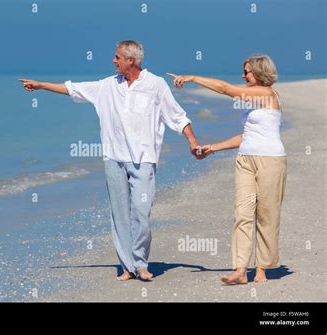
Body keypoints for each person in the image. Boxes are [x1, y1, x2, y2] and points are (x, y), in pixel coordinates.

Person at [20, 40, 200, 281]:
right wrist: (41, 85)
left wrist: (192, 141)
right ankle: (128, 267)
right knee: (119, 215)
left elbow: (177, 116)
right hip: (114, 158)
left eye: (117, 57)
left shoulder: (156, 85)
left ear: (131, 61)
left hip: (143, 159)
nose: (113, 61)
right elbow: (73, 88)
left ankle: (141, 263)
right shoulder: (107, 86)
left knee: (141, 212)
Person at [168, 54, 287, 284]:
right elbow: (246, 136)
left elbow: (225, 89)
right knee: (242, 213)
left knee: (266, 215)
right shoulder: (254, 101)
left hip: (271, 160)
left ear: (260, 73)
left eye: (247, 72)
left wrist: (192, 77)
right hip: (245, 159)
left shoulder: (267, 94)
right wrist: (212, 148)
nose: (243, 75)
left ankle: (261, 268)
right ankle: (241, 270)